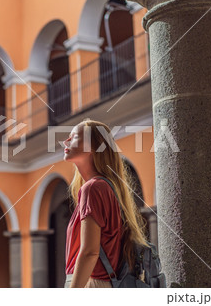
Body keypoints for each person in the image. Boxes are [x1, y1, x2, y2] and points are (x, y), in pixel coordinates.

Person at [63, 119, 148, 288]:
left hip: (93, 284)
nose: (65, 141)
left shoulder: (93, 188)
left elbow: (89, 252)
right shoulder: (107, 187)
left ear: (93, 147)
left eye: (74, 137)